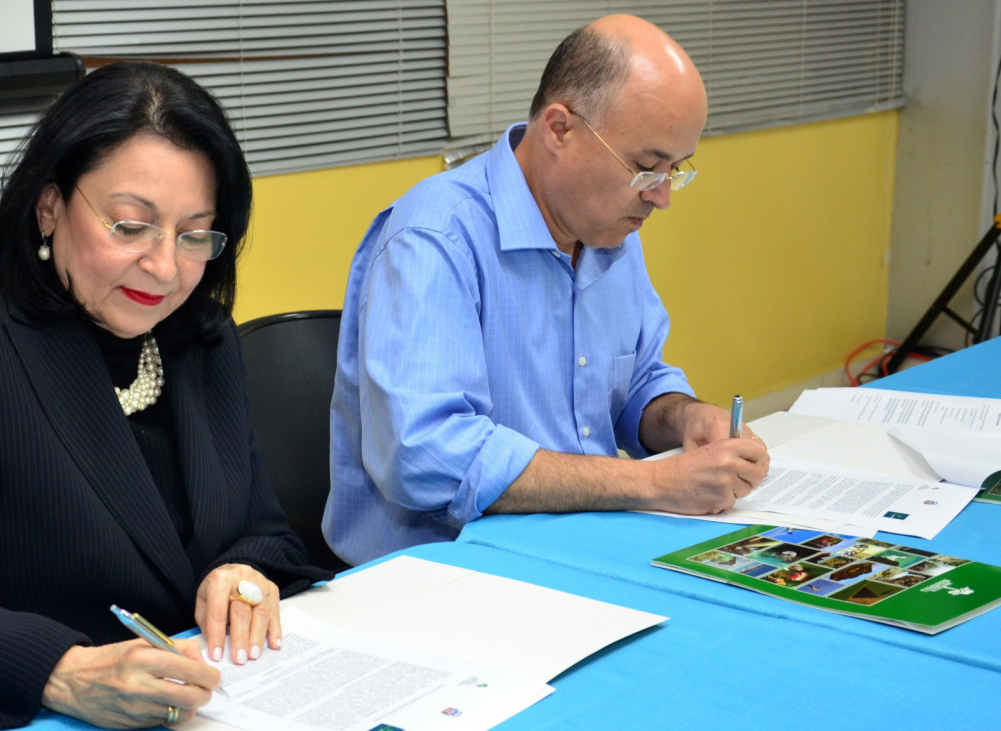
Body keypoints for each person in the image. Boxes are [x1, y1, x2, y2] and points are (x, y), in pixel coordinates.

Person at [0, 62, 332, 730]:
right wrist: (58, 667)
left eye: (195, 233)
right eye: (130, 225)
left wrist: (241, 570)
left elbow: (260, 531)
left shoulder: (201, 338)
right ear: (50, 206)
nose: (166, 268)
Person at [326, 15, 771, 566]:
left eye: (675, 170)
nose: (662, 197)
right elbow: (426, 455)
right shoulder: (436, 237)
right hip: (446, 575)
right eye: (646, 168)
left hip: (581, 548)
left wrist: (682, 417)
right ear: (559, 129)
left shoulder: (605, 225)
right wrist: (650, 482)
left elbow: (634, 385)